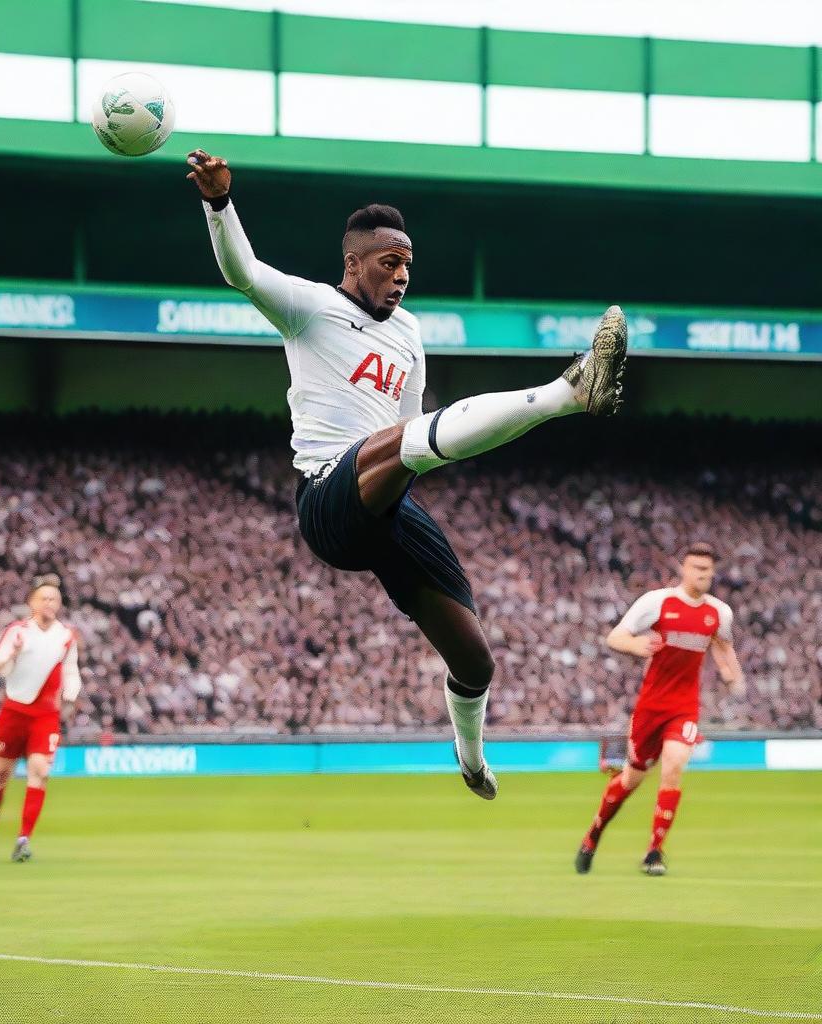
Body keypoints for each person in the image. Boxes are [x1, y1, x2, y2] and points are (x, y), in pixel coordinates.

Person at [186, 149, 628, 801]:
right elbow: (242, 272)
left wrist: (404, 484)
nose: (400, 277)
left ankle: (471, 759)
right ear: (353, 263)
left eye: (407, 266)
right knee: (401, 443)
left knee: (476, 659)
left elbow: (413, 425)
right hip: (327, 500)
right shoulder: (308, 308)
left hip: (386, 497)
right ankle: (571, 391)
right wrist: (219, 202)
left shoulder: (410, 333)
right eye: (389, 263)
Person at [575, 543, 745, 876]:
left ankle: (654, 852)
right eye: (696, 568)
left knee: (674, 766)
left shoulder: (719, 612)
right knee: (630, 780)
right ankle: (592, 836)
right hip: (651, 707)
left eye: (708, 570)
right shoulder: (657, 602)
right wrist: (637, 645)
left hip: (684, 706)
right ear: (682, 568)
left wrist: (731, 674)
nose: (703, 574)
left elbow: (723, 645)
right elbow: (615, 637)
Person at [0, 574, 82, 863]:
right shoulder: (18, 632)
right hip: (15, 712)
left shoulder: (66, 635)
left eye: (54, 599)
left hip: (46, 715)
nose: (50, 603)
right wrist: (9, 655)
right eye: (44, 598)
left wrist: (73, 689)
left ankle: (23, 839)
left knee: (41, 771)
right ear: (32, 603)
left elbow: (71, 668)